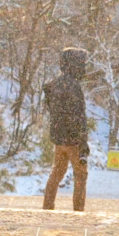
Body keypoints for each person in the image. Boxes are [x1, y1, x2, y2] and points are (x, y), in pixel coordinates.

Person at [42, 48, 89, 212]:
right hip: (73, 140)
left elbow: (53, 111)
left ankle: (47, 206)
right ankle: (78, 210)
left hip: (58, 138)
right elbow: (79, 117)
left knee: (57, 172)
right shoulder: (74, 87)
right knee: (81, 174)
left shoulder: (54, 85)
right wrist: (83, 142)